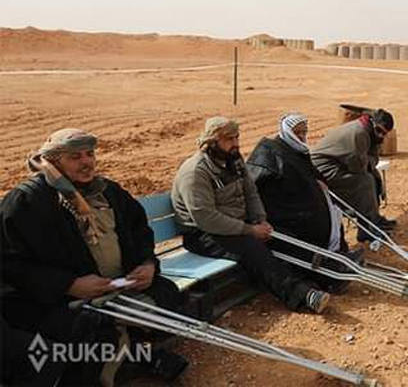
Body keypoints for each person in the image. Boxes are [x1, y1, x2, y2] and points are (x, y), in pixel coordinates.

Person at [0, 128, 187, 386]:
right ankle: (128, 362)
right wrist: (69, 285)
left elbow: (139, 230)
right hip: (58, 299)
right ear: (54, 161)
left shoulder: (108, 191)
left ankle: (132, 355)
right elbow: (12, 265)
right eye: (75, 157)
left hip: (119, 285)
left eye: (89, 154)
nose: (87, 162)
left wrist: (147, 264)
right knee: (95, 327)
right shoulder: (27, 201)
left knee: (166, 293)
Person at [171, 116, 331, 314]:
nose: (236, 144)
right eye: (229, 139)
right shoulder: (196, 172)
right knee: (255, 251)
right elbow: (206, 218)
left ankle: (328, 276)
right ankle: (302, 295)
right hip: (204, 234)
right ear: (212, 142)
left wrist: (260, 219)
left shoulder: (234, 160)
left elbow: (251, 192)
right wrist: (250, 230)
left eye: (237, 137)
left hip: (236, 225)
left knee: (282, 237)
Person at [246, 113, 364, 292]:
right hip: (282, 212)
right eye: (297, 132)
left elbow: (310, 172)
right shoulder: (269, 151)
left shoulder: (298, 150)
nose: (301, 136)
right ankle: (329, 273)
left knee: (332, 210)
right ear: (287, 131)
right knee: (308, 228)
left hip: (300, 206)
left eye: (304, 132)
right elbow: (252, 187)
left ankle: (337, 257)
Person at [311, 108, 396, 241]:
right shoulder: (359, 133)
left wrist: (371, 158)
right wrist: (370, 160)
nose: (380, 136)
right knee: (365, 181)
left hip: (338, 163)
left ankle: (374, 219)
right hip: (322, 169)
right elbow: (358, 167)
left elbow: (371, 160)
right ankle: (366, 230)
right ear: (372, 122)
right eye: (378, 131)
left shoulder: (368, 130)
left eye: (384, 134)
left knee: (374, 176)